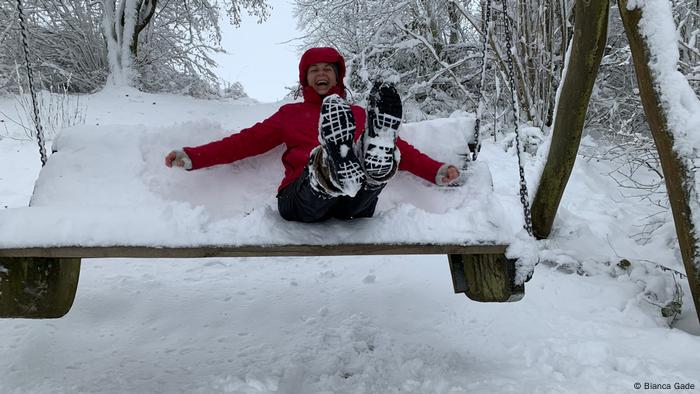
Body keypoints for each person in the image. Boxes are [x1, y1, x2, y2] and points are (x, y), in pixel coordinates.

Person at [165, 47, 462, 223]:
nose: (321, 74)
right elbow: (244, 143)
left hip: (352, 205)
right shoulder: (289, 115)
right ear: (305, 78)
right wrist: (193, 156)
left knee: (372, 160)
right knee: (322, 169)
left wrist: (435, 170)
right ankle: (329, 167)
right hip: (299, 200)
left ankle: (372, 173)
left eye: (328, 69)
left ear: (337, 76)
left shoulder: (358, 114)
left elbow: (402, 149)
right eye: (314, 70)